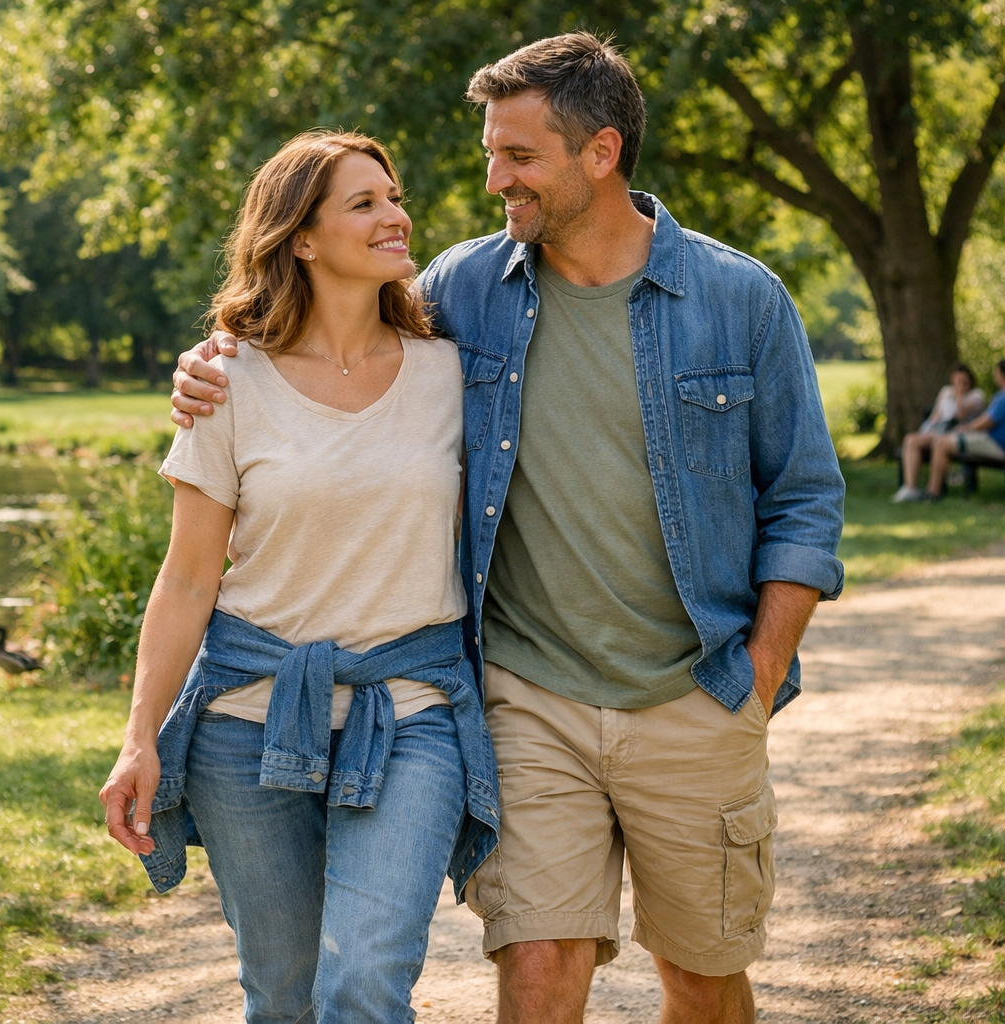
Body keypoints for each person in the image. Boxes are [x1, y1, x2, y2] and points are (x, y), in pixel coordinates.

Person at [172, 33, 845, 1024]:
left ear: (601, 153)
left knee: (701, 975)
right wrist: (218, 356)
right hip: (529, 697)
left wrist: (761, 671)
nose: (495, 181)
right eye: (492, 153)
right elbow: (329, 333)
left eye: (519, 156)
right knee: (535, 961)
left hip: (695, 690)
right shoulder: (464, 291)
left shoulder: (738, 299)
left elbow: (804, 499)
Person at [97, 130, 499, 1024]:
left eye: (394, 198)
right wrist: (139, 737)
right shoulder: (228, 382)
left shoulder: (455, 374)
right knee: (282, 994)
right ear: (302, 239)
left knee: (363, 980)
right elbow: (188, 578)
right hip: (249, 720)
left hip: (412, 713)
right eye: (365, 203)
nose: (396, 216)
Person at [919, 359, 1005, 502]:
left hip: (998, 445)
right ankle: (944, 485)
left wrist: (966, 428)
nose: (995, 376)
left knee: (942, 443)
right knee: (945, 440)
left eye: (996, 373)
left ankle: (933, 493)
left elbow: (986, 422)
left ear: (1002, 375)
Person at [892, 363, 987, 502]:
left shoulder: (976, 395)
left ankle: (931, 491)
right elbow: (935, 414)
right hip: (937, 430)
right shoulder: (946, 391)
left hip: (954, 433)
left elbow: (960, 414)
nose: (959, 383)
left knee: (930, 442)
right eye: (957, 380)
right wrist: (931, 425)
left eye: (963, 381)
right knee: (910, 439)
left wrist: (959, 394)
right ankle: (910, 488)